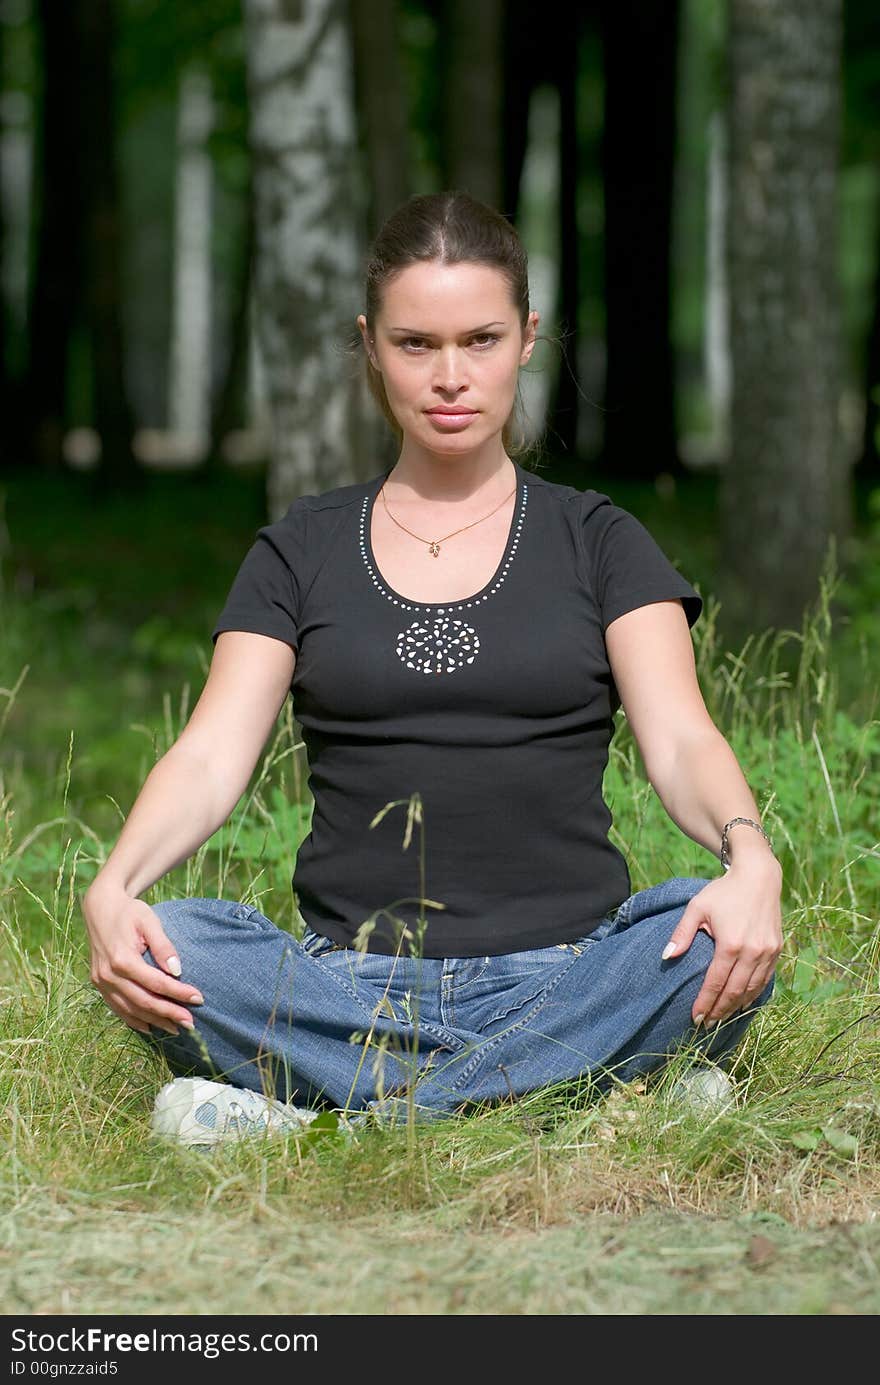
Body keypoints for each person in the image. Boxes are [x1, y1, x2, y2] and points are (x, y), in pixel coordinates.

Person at [82, 190, 783, 1147]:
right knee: (183, 942)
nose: (451, 376)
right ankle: (578, 1098)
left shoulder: (602, 542)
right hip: (344, 985)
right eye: (416, 344)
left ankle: (335, 1116)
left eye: (481, 340)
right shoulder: (301, 550)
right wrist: (115, 885)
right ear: (370, 343)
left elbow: (682, 741)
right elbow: (210, 758)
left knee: (707, 934)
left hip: (569, 973)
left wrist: (751, 857)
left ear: (528, 337)